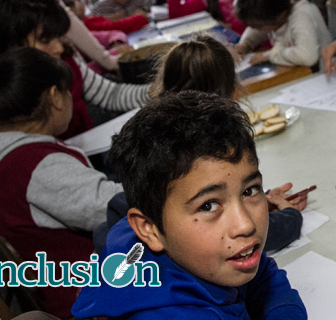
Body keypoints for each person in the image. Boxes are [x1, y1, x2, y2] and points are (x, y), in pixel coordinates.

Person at [71, 91, 308, 319]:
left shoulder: (183, 240)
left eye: (249, 191)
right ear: (148, 229)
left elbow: (265, 277)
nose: (245, 224)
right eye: (208, 206)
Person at [0, 47, 123, 318]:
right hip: (87, 296)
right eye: (68, 92)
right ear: (55, 97)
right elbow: (113, 206)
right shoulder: (37, 168)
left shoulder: (1, 152)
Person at [0, 0, 151, 178]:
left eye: (59, 37)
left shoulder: (65, 63)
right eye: (46, 40)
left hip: (85, 165)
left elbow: (110, 94)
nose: (58, 48)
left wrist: (156, 91)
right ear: (13, 43)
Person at [148, 35, 307, 251]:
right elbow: (246, 234)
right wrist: (291, 217)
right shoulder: (209, 153)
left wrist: (260, 200)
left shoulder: (157, 136)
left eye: (248, 191)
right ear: (231, 94)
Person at [234, 0, 332, 69]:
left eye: (258, 26)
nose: (256, 29)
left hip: (322, 74)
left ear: (279, 17)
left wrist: (269, 55)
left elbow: (307, 57)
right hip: (300, 73)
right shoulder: (277, 13)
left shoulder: (301, 15)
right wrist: (246, 43)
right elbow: (258, 31)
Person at [54, 0, 149, 34]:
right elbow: (114, 27)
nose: (83, 4)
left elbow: (99, 20)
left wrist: (112, 18)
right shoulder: (82, 26)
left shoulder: (85, 21)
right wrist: (139, 18)